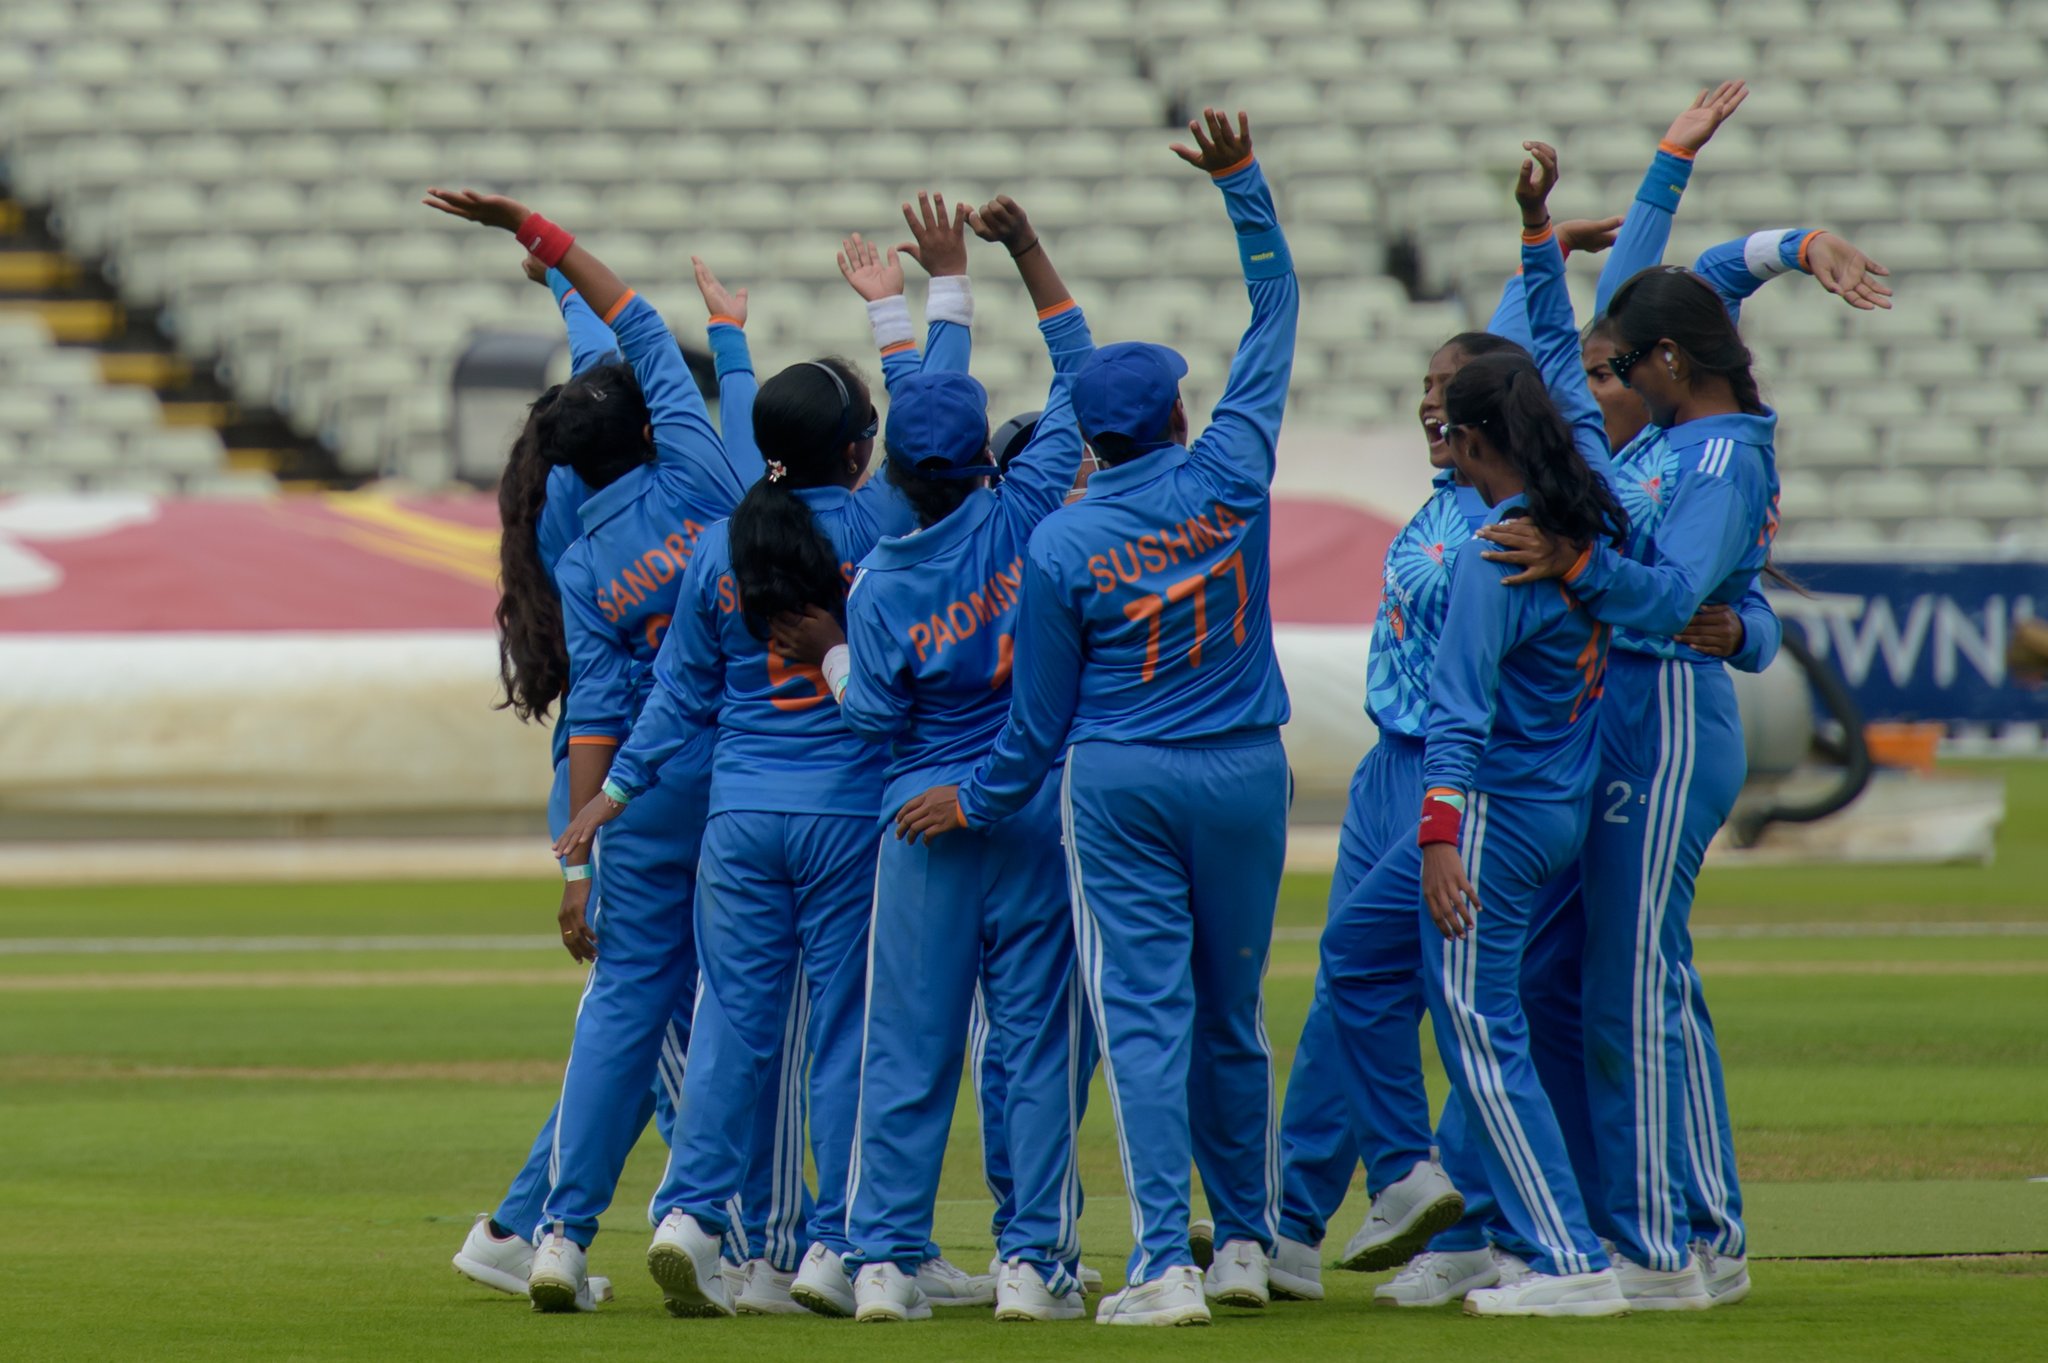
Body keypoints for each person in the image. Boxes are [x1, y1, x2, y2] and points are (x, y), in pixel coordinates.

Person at [896, 108, 1296, 1328]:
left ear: (1098, 437)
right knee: (1231, 1009)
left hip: (1117, 778)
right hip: (1242, 769)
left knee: (1141, 1020)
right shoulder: (1233, 466)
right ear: (1173, 416)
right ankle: (1242, 1242)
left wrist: (973, 796)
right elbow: (1274, 313)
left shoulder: (1061, 537)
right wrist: (1240, 183)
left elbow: (1035, 723)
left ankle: (1160, 1266)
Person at [420, 185, 749, 1313]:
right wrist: (546, 243)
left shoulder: (566, 536)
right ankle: (716, 1222)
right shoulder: (701, 475)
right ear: (645, 424)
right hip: (738, 766)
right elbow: (639, 336)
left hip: (614, 790)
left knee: (626, 1011)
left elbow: (597, 715)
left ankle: (542, 1229)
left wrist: (575, 848)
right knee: (728, 1009)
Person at [769, 195, 1097, 1324]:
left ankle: (880, 1261)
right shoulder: (1029, 508)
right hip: (1028, 803)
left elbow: (865, 721)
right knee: (1032, 1043)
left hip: (917, 811)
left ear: (890, 471)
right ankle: (1029, 1261)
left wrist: (825, 664)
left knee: (905, 1043)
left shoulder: (884, 580)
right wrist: (999, 264)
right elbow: (1081, 378)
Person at [1323, 343, 1633, 1318]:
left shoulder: (1488, 551)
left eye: (1443, 425)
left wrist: (1437, 835)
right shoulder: (1573, 523)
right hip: (1549, 803)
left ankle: (1562, 1253)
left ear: (1465, 439)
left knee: (1480, 1029)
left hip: (1491, 816)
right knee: (1357, 955)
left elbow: (1456, 710)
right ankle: (1417, 1178)